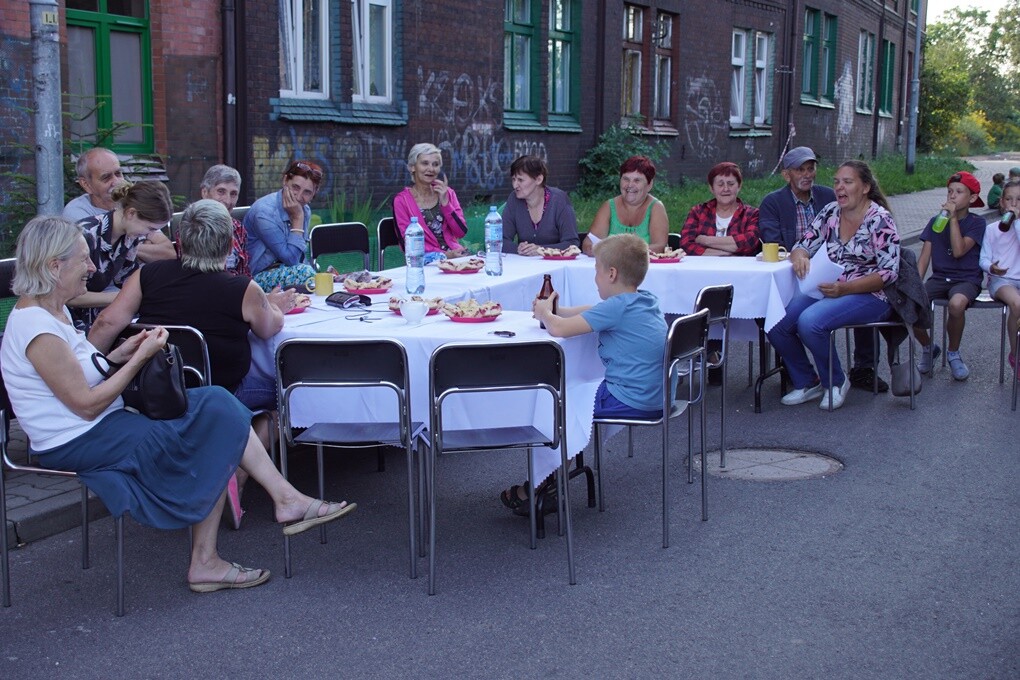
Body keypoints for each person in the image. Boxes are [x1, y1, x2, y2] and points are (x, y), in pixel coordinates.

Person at [0, 216, 354, 594]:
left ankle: (283, 501)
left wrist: (122, 351)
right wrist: (138, 360)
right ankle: (212, 557)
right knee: (213, 431)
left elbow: (84, 370)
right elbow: (85, 405)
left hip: (101, 424)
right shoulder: (37, 328)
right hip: (79, 438)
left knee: (217, 402)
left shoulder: (53, 310)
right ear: (55, 266)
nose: (91, 268)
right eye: (84, 260)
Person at [89, 200, 299, 528]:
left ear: (180, 241)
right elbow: (269, 328)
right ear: (230, 245)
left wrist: (86, 372)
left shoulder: (147, 275)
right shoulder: (242, 287)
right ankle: (242, 470)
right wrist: (273, 306)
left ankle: (235, 467)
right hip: (222, 392)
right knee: (283, 391)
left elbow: (106, 324)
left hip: (154, 393)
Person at [501, 233, 666, 512]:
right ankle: (554, 477)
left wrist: (546, 315)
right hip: (655, 394)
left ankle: (542, 482)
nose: (595, 278)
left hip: (630, 398)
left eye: (596, 271)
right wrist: (556, 310)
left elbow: (559, 330)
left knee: (557, 403)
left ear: (611, 273)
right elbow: (594, 311)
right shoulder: (643, 299)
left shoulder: (617, 307)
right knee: (574, 392)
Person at [767, 160, 900, 411]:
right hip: (829, 288)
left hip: (870, 294)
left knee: (810, 322)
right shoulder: (830, 211)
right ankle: (807, 381)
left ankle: (835, 381)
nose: (839, 187)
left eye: (847, 182)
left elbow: (888, 273)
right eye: (837, 181)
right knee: (776, 321)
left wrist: (845, 289)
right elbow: (803, 243)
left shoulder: (880, 220)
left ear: (865, 188)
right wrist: (800, 256)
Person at [69, 180, 176, 331]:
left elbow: (126, 282)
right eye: (150, 228)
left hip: (99, 318)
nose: (150, 234)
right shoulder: (86, 234)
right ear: (131, 213)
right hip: (72, 323)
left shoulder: (129, 237)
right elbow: (68, 295)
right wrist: (123, 298)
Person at [913, 171, 986, 381]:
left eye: (959, 192)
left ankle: (953, 353)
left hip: (967, 279)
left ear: (972, 198)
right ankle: (928, 347)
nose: (952, 196)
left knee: (956, 304)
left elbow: (959, 250)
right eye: (950, 192)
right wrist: (915, 285)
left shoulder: (976, 223)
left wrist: (952, 219)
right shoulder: (935, 221)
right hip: (939, 278)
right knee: (910, 304)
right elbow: (924, 257)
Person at [62, 147, 176, 263]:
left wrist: (125, 246)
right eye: (106, 177)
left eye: (118, 173)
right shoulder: (77, 212)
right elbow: (91, 257)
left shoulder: (132, 201)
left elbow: (168, 253)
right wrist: (141, 245)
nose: (116, 181)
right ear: (86, 184)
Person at [242, 159, 321, 291]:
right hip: (256, 278)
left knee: (320, 279)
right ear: (285, 181)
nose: (298, 196)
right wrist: (297, 218)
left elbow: (300, 256)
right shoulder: (264, 212)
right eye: (295, 187)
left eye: (307, 192)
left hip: (289, 272)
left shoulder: (304, 209)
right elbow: (291, 259)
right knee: (308, 275)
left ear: (314, 193)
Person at [582, 156, 668, 256]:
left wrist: (618, 252)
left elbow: (659, 247)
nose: (630, 185)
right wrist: (591, 249)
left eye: (637, 180)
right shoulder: (608, 207)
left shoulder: (656, 208)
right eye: (626, 179)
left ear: (649, 185)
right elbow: (588, 243)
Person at [392, 143, 469, 256]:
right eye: (425, 163)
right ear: (413, 167)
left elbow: (461, 232)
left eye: (435, 164)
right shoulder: (401, 201)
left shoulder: (448, 193)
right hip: (423, 262)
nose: (431, 169)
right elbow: (406, 244)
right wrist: (445, 255)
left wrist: (446, 203)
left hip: (456, 257)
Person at [500, 155, 580, 255]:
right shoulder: (514, 199)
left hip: (555, 265)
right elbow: (499, 241)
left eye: (520, 180)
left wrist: (541, 250)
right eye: (513, 179)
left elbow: (572, 243)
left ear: (538, 179)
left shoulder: (559, 200)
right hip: (525, 265)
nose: (515, 185)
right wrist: (518, 249)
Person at [981, 179, 1020, 377]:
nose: (1014, 204)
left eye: (1019, 200)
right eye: (1009, 199)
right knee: (1017, 304)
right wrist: (991, 268)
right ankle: (1016, 353)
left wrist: (1017, 223)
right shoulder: (992, 229)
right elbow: (983, 258)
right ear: (1002, 202)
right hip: (1002, 281)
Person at [678, 162, 759, 256]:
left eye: (731, 184)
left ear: (739, 186)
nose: (725, 189)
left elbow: (749, 243)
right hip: (702, 269)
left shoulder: (752, 214)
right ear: (712, 188)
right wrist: (726, 255)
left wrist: (705, 240)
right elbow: (686, 244)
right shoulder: (698, 212)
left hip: (740, 269)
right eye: (720, 185)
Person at [193, 164, 250, 277]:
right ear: (204, 192)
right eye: (221, 191)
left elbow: (245, 272)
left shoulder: (237, 227)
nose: (227, 201)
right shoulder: (192, 226)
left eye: (233, 194)